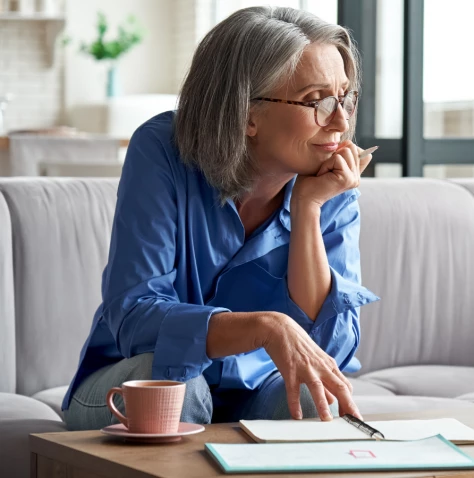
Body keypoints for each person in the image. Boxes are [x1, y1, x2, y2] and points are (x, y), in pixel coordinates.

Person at [62, 6, 379, 430]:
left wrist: (308, 210)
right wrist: (264, 328)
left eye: (345, 97)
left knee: (311, 395)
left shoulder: (329, 180)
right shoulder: (162, 151)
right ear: (247, 113)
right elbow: (135, 317)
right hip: (132, 381)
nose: (340, 121)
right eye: (316, 101)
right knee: (178, 385)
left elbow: (329, 352)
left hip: (254, 391)